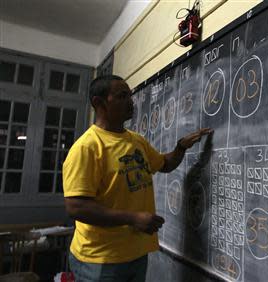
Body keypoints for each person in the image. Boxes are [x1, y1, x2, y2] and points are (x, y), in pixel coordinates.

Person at [62, 75, 212, 282]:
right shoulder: (87, 148)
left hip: (136, 254)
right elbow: (76, 207)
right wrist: (132, 218)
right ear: (99, 103)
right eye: (122, 96)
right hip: (100, 261)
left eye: (130, 95)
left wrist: (180, 147)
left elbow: (165, 164)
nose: (131, 101)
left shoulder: (136, 141)